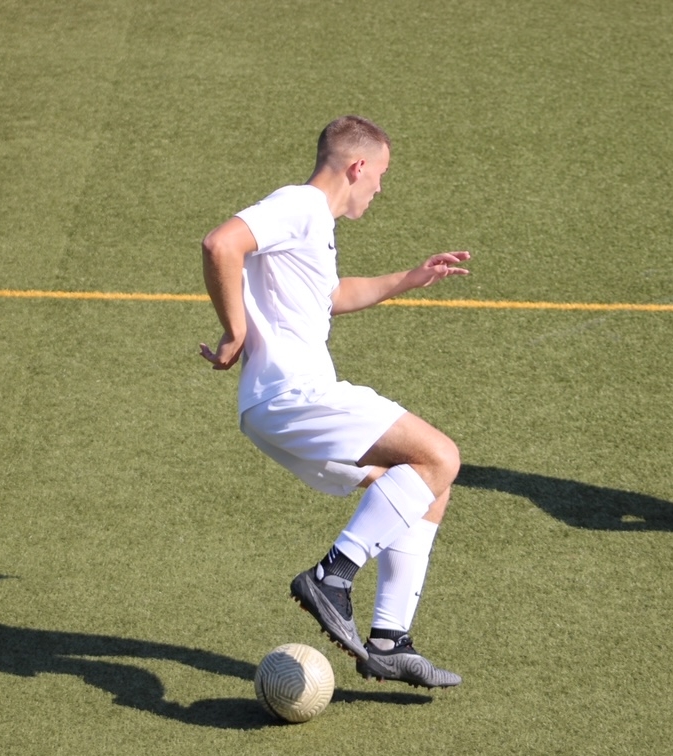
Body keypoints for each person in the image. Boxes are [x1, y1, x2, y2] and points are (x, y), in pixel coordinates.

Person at [199, 116, 470, 686]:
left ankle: (389, 640)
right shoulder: (299, 205)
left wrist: (407, 278)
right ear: (358, 167)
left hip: (275, 406)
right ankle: (332, 576)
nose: (380, 189)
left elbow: (331, 296)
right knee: (441, 456)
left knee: (426, 491)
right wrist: (234, 331)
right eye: (382, 176)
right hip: (296, 393)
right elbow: (221, 243)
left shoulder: (312, 224)